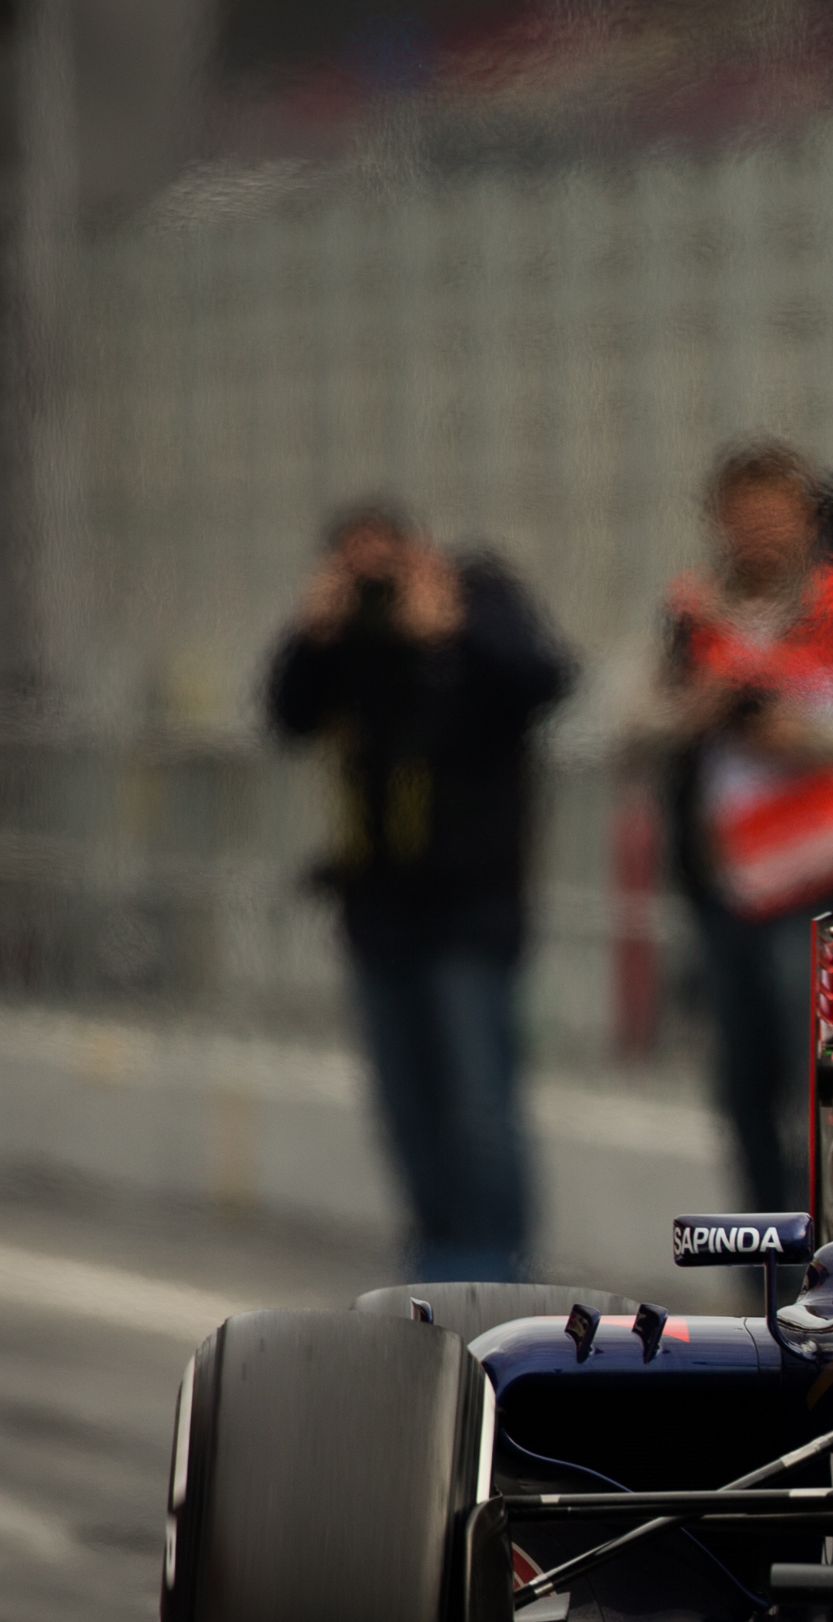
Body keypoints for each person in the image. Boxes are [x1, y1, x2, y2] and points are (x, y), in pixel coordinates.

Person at [267, 498, 577, 1282]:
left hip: (472, 905)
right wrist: (309, 634)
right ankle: (437, 1254)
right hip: (378, 908)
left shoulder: (475, 598)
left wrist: (451, 632)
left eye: (386, 562)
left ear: (418, 552)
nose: (374, 580)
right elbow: (286, 716)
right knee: (404, 1101)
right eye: (355, 566)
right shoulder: (348, 639)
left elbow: (544, 681)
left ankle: (497, 1262)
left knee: (479, 1099)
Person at [634, 440, 833, 1210]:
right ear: (719, 521)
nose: (760, 531)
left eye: (776, 514)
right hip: (727, 882)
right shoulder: (690, 614)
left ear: (808, 519)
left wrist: (809, 734)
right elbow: (626, 720)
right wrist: (694, 709)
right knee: (742, 1086)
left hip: (830, 879)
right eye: (745, 516)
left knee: (830, 1084)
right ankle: (766, 1257)